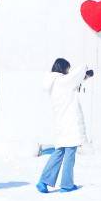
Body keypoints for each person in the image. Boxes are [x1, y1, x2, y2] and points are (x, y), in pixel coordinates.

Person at [38, 59, 89, 193]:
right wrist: (85, 67)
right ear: (63, 68)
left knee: (59, 152)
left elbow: (71, 84)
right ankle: (67, 184)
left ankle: (43, 181)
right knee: (70, 152)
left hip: (60, 123)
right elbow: (74, 77)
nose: (69, 71)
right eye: (68, 68)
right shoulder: (62, 80)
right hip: (69, 123)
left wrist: (85, 77)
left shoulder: (54, 82)